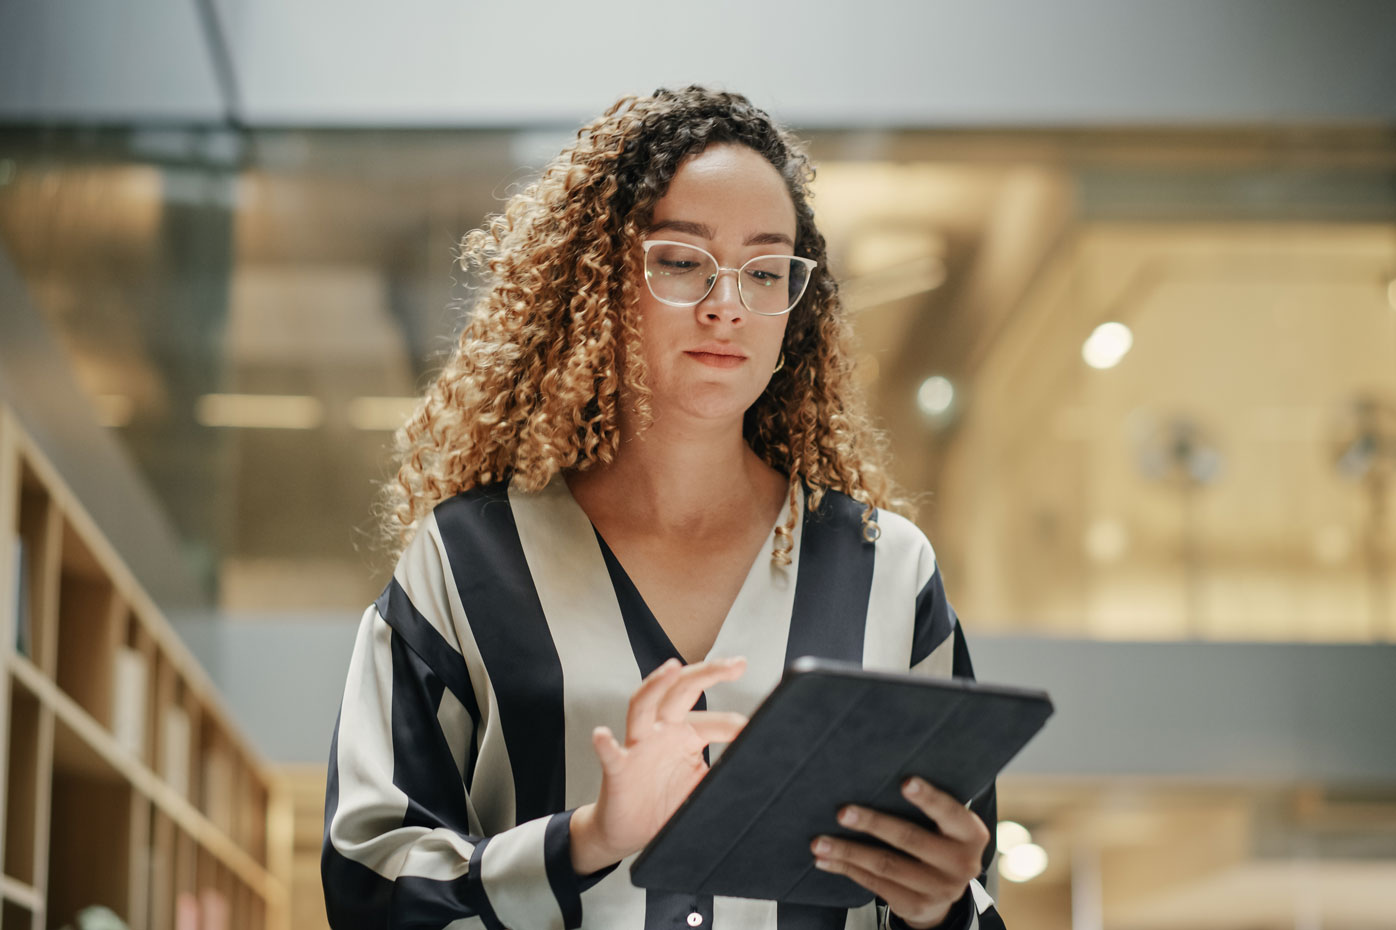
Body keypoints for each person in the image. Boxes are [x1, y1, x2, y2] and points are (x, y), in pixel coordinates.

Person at [322, 86, 1005, 930]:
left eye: (765, 270)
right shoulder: (462, 561)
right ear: (599, 282)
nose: (728, 305)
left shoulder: (890, 572)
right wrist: (586, 839)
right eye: (682, 261)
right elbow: (368, 880)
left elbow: (965, 882)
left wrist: (942, 910)